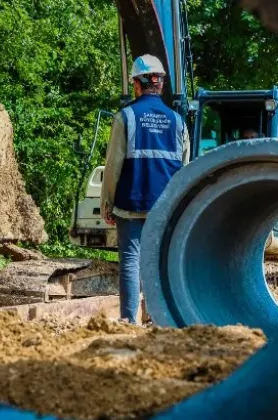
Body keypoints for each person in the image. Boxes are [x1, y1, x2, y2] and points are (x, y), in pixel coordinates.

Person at [100, 54, 190, 324]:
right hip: (165, 206)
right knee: (160, 263)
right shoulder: (178, 121)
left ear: (137, 85)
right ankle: (162, 319)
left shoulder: (126, 117)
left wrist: (107, 203)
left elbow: (113, 165)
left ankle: (129, 321)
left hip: (132, 202)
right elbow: (185, 168)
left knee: (130, 260)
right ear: (160, 84)